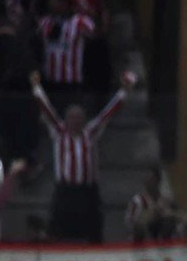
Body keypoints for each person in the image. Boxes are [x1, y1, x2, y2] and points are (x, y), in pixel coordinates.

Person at [30, 67, 130, 242]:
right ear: (66, 119)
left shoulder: (91, 132)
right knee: (59, 228)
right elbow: (46, 109)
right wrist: (36, 87)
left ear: (84, 120)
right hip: (65, 190)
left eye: (79, 118)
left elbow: (108, 112)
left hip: (87, 190)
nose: (75, 122)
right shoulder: (59, 131)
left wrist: (124, 91)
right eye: (72, 118)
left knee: (93, 226)